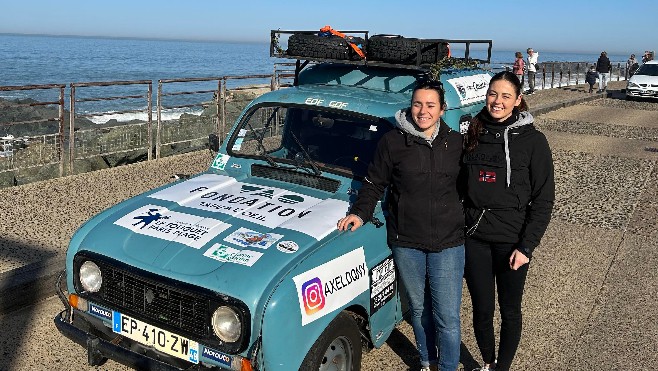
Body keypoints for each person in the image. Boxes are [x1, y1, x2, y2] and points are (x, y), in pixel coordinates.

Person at [337, 80, 465, 371]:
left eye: (431, 105)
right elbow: (373, 181)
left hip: (449, 242)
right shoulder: (393, 141)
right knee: (419, 309)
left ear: (442, 109)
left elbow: (473, 188)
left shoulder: (456, 143)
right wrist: (360, 212)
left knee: (447, 316)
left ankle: (447, 367)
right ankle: (426, 361)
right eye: (418, 104)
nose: (423, 111)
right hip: (407, 241)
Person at [462, 71, 555, 371]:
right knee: (482, 310)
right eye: (492, 94)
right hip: (474, 237)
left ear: (518, 101)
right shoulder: (473, 132)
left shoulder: (534, 141)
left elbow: (543, 199)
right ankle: (488, 362)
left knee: (510, 310)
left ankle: (502, 368)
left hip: (512, 241)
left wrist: (526, 246)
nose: (497, 101)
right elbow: (458, 187)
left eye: (505, 96)